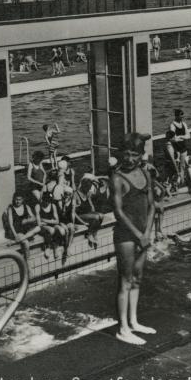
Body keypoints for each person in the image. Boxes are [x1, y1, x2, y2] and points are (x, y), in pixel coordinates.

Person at [112, 133, 157, 345]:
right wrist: (139, 235)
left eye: (134, 155)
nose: (129, 159)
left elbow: (152, 206)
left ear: (141, 156)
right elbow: (119, 213)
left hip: (142, 235)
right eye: (126, 154)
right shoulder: (117, 178)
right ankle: (122, 328)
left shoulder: (145, 173)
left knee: (137, 278)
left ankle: (133, 321)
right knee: (125, 280)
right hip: (126, 237)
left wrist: (147, 232)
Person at [75, 175, 105, 249]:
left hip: (87, 214)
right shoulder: (75, 194)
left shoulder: (87, 193)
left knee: (101, 216)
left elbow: (91, 206)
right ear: (83, 186)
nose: (88, 190)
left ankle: (94, 233)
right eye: (87, 188)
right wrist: (93, 217)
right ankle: (89, 234)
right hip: (79, 216)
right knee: (96, 217)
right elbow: (73, 212)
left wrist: (94, 214)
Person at [54, 184, 77, 263]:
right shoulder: (60, 202)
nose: (67, 196)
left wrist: (73, 223)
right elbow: (62, 214)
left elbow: (73, 213)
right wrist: (64, 204)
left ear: (71, 195)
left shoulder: (73, 201)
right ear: (63, 194)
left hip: (68, 220)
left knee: (72, 229)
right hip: (60, 221)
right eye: (66, 194)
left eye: (69, 194)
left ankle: (68, 248)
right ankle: (66, 247)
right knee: (66, 230)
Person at [169, 109, 191, 175]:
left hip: (183, 149)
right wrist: (183, 137)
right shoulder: (172, 125)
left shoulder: (184, 124)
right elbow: (174, 139)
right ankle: (177, 182)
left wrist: (180, 137)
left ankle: (182, 181)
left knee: (183, 166)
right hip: (176, 150)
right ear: (176, 116)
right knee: (176, 167)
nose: (182, 118)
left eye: (182, 116)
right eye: (181, 116)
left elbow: (189, 136)